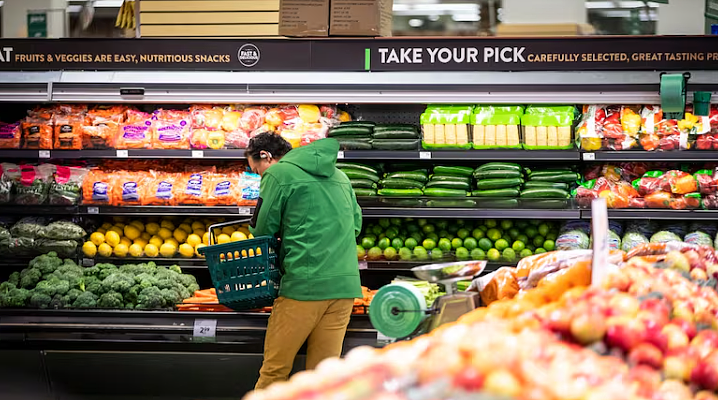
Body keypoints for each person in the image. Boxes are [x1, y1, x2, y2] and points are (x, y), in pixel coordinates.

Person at [246, 132, 363, 390]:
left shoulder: (279, 174)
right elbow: (356, 227)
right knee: (323, 379)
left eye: (256, 170)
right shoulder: (341, 177)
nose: (258, 176)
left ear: (265, 156)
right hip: (344, 288)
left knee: (275, 372)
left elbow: (262, 229)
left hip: (303, 287)